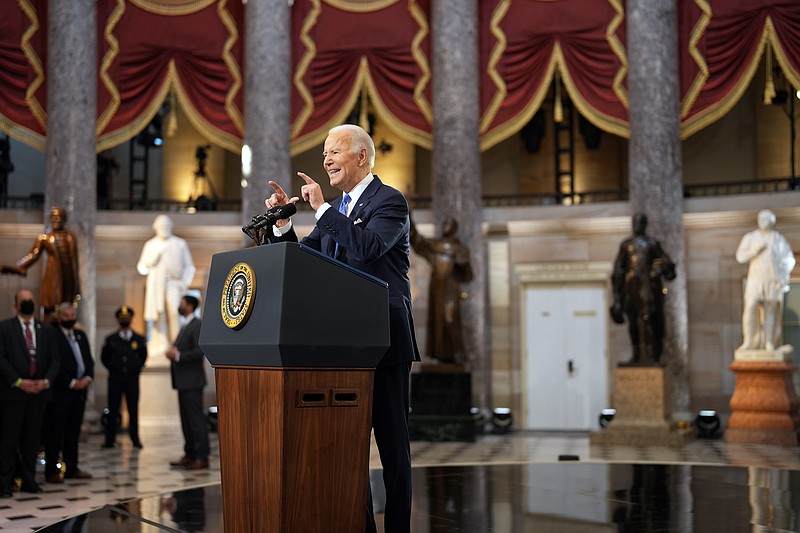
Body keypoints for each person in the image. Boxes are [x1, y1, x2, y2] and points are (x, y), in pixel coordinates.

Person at [265, 123, 420, 533]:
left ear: (361, 157)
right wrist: (284, 224)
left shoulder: (389, 201)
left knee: (392, 450)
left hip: (385, 340)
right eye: (324, 153)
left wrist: (321, 211)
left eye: (334, 152)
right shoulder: (337, 211)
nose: (326, 160)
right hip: (343, 345)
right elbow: (302, 261)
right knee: (350, 451)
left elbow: (368, 249)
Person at [0, 289, 60, 497]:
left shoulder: (46, 329)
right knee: (9, 439)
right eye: (23, 301)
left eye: (30, 301)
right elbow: (2, 359)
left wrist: (46, 381)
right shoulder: (5, 328)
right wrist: (18, 382)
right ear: (16, 305)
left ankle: (29, 480)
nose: (28, 304)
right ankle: (5, 483)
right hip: (13, 393)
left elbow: (55, 359)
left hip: (39, 393)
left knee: (32, 439)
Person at [610, 213, 676, 366]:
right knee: (633, 321)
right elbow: (618, 269)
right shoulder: (626, 245)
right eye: (635, 222)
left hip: (648, 287)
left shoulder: (652, 244)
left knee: (651, 321)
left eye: (640, 222)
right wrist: (617, 297)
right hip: (631, 287)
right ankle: (636, 354)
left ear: (645, 224)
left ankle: (654, 356)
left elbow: (667, 265)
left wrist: (661, 268)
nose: (637, 225)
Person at [410, 216, 474, 364]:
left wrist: (462, 263)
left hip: (451, 288)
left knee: (450, 319)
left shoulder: (460, 249)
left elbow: (468, 276)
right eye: (444, 223)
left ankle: (455, 355)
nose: (446, 226)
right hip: (437, 289)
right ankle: (440, 356)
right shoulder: (434, 245)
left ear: (454, 228)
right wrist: (409, 216)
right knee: (437, 322)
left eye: (449, 224)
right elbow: (416, 239)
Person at [1, 206, 80, 320]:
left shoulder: (71, 236)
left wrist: (78, 286)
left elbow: (75, 261)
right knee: (52, 307)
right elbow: (33, 255)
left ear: (64, 219)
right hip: (54, 276)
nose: (55, 220)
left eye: (58, 218)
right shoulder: (44, 237)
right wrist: (17, 267)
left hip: (69, 278)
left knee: (67, 305)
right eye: (53, 218)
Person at [44, 302, 94, 483]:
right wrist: (71, 382)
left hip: (79, 393)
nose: (70, 319)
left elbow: (89, 360)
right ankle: (51, 470)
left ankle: (72, 467)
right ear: (59, 317)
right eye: (66, 316)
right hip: (60, 392)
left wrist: (88, 378)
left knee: (73, 432)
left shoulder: (80, 335)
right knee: (55, 433)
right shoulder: (52, 335)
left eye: (72, 315)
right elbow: (53, 363)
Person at [735, 209, 796, 351]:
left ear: (772, 221)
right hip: (756, 275)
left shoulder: (778, 238)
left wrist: (782, 269)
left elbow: (789, 259)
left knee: (770, 309)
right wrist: (754, 251)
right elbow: (740, 256)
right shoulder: (751, 237)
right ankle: (749, 341)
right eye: (761, 218)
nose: (763, 221)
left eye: (766, 219)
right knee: (750, 306)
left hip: (772, 277)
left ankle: (769, 343)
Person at [137, 215, 195, 356]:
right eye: (161, 226)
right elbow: (141, 268)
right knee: (158, 313)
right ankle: (161, 342)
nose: (164, 228)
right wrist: (152, 259)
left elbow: (190, 266)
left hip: (174, 283)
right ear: (155, 228)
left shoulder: (179, 243)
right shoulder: (150, 245)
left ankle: (177, 343)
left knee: (175, 313)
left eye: (166, 225)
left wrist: (184, 283)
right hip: (156, 284)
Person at [166, 295, 209, 470]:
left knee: (195, 420)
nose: (179, 306)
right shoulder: (186, 325)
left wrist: (177, 355)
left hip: (192, 381)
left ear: (190, 306)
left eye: (182, 304)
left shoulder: (197, 325)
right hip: (183, 381)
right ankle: (190, 453)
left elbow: (199, 352)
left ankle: (201, 456)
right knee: (186, 421)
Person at [101, 306, 147, 448]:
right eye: (122, 318)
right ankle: (110, 439)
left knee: (133, 409)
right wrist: (114, 369)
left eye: (127, 318)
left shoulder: (139, 339)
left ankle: (135, 438)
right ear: (118, 319)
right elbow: (104, 358)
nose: (125, 320)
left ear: (131, 319)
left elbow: (143, 356)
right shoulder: (111, 339)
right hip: (115, 379)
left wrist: (135, 368)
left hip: (132, 379)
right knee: (113, 409)